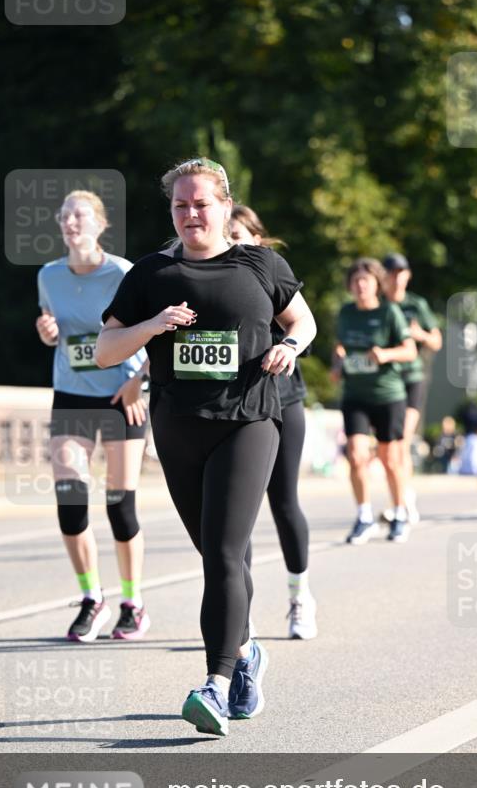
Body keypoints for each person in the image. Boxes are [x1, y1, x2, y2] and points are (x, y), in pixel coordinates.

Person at [96, 158, 316, 736]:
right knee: (220, 557)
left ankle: (214, 685)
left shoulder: (261, 264)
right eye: (180, 205)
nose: (190, 213)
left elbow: (304, 321)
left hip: (248, 421)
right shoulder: (152, 273)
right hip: (178, 428)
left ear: (224, 206)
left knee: (221, 553)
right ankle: (245, 655)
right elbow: (105, 350)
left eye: (201, 203)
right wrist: (152, 325)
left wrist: (290, 346)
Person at [36, 190, 150, 643]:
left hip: (121, 396)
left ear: (100, 224)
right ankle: (91, 597)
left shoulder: (123, 273)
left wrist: (138, 380)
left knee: (119, 505)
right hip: (72, 395)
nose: (69, 222)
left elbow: (156, 332)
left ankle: (133, 603)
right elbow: (55, 332)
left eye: (79, 215)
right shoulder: (48, 275)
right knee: (69, 498)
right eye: (64, 216)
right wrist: (47, 333)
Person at [229, 204, 316, 641]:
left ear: (257, 240)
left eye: (238, 236)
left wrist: (287, 345)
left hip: (283, 403)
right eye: (226, 236)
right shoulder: (207, 276)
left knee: (283, 502)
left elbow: (303, 328)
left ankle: (300, 597)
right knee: (235, 514)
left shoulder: (270, 273)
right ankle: (239, 613)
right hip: (238, 408)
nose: (231, 243)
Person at [332, 258, 417, 544]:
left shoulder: (389, 312)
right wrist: (337, 363)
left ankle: (399, 513)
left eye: (365, 280)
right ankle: (364, 516)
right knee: (356, 455)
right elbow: (339, 345)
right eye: (355, 281)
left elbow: (410, 351)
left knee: (390, 459)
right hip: (355, 395)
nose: (360, 286)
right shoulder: (346, 313)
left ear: (377, 284)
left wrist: (386, 355)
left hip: (387, 395)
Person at [382, 253, 442, 523]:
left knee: (402, 440)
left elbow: (436, 341)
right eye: (392, 273)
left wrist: (420, 335)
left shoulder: (417, 305)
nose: (396, 278)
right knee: (389, 447)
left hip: (412, 378)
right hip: (384, 381)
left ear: (408, 276)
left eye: (401, 272)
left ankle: (403, 501)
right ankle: (402, 498)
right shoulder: (377, 305)